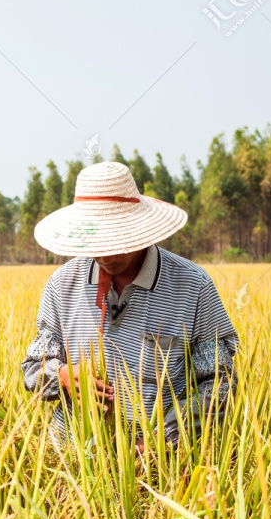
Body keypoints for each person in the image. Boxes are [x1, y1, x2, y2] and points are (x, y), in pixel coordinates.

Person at [21, 161, 237, 453]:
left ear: (141, 230)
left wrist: (163, 440)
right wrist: (61, 376)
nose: (106, 255)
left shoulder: (192, 286)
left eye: (117, 241)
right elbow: (32, 368)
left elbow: (219, 383)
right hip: (75, 457)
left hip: (162, 462)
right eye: (95, 242)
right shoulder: (62, 286)